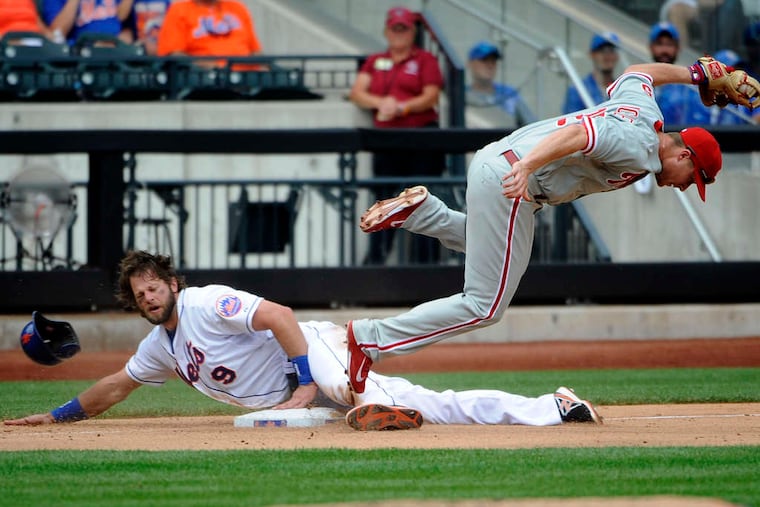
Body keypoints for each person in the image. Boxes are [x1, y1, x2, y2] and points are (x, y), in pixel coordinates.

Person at [345, 59, 732, 395]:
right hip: (515, 178)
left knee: (494, 255)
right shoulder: (637, 143)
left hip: (499, 164)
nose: (684, 185)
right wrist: (526, 167)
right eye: (691, 176)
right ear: (683, 153)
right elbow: (580, 135)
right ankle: (369, 341)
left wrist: (695, 75)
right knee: (485, 305)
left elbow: (637, 72)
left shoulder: (644, 111)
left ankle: (421, 213)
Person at [3, 250, 601, 430]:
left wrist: (305, 380)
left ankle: (554, 406)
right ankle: (551, 405)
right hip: (298, 391)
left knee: (351, 389)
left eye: (156, 283)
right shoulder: (160, 346)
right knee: (430, 405)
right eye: (140, 291)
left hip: (315, 353)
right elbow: (116, 385)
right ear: (133, 303)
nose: (150, 294)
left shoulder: (207, 302)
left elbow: (283, 316)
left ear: (172, 283)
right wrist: (56, 416)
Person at [348, 6, 445, 266]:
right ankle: (376, 262)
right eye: (395, 28)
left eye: (404, 28)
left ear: (412, 32)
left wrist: (403, 107)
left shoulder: (425, 59)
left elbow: (431, 95)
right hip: (387, 139)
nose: (399, 33)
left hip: (421, 138)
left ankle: (425, 264)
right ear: (386, 31)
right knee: (383, 199)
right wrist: (382, 103)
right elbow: (357, 92)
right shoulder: (375, 60)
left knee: (423, 199)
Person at [156, 0, 262, 68]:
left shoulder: (238, 8)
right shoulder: (179, 10)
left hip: (246, 78)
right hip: (203, 80)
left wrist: (264, 66)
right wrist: (211, 66)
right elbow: (174, 54)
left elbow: (255, 51)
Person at [648, 22, 712, 126]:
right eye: (659, 44)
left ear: (678, 48)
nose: (664, 50)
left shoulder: (689, 86)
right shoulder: (640, 81)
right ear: (651, 47)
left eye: (669, 44)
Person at [466, 40, 536, 128]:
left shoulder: (509, 94)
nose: (490, 66)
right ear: (470, 63)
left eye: (493, 61)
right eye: (484, 60)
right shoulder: (461, 95)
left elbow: (532, 125)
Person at [561, 32, 620, 114]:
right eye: (603, 51)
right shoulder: (578, 90)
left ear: (617, 57)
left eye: (611, 50)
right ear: (592, 54)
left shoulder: (620, 89)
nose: (608, 56)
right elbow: (570, 121)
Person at [42, 0, 135, 45]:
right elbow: (57, 34)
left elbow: (125, 21)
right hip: (82, 55)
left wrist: (125, 37)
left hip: (118, 53)